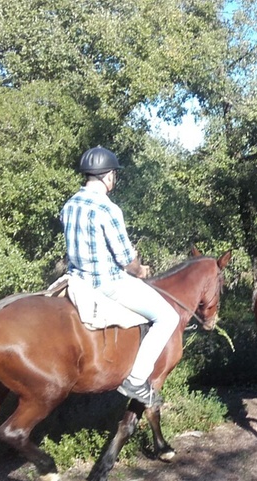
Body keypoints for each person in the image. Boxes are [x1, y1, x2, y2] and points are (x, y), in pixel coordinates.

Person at [61, 145, 179, 408]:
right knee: (167, 316)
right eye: (114, 174)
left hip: (76, 280)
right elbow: (126, 260)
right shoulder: (107, 208)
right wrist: (140, 271)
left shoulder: (69, 204)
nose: (114, 178)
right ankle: (136, 380)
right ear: (107, 176)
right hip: (106, 283)